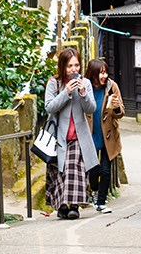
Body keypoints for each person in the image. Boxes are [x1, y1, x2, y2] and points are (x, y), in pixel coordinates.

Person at [44, 47, 98, 220]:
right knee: (61, 171)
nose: (74, 69)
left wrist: (82, 93)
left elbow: (91, 109)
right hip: (58, 136)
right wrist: (66, 92)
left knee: (75, 170)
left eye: (76, 65)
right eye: (69, 66)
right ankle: (62, 206)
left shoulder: (86, 83)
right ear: (62, 66)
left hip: (78, 136)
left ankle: (74, 206)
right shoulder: (54, 83)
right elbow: (49, 107)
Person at [84, 58, 125, 213]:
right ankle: (94, 192)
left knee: (106, 170)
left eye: (105, 72)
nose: (104, 76)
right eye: (100, 73)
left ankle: (101, 202)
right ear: (92, 73)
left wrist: (116, 108)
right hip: (90, 133)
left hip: (108, 134)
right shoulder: (85, 87)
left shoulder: (111, 86)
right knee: (93, 169)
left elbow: (121, 112)